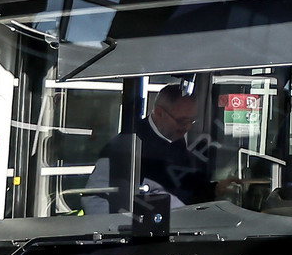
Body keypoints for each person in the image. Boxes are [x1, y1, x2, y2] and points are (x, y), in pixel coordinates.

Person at [81, 82, 215, 213]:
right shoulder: (125, 146)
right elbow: (94, 198)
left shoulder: (176, 141)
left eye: (191, 121)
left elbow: (186, 186)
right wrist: (122, 228)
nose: (187, 127)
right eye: (182, 121)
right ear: (159, 113)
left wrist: (215, 189)